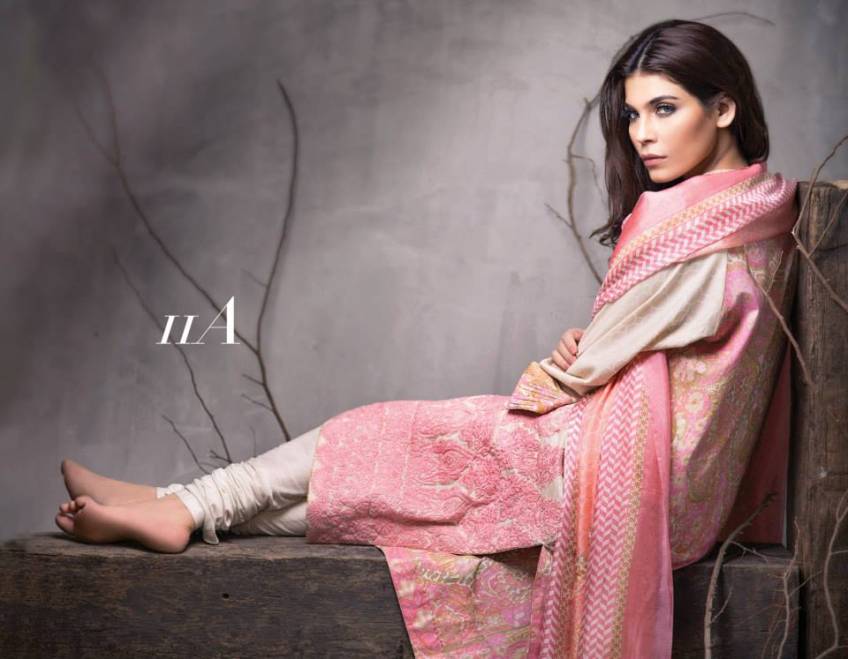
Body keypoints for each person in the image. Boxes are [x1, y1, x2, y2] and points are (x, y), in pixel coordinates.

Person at [55, 18, 799, 658]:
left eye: (664, 109)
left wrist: (576, 355)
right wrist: (601, 343)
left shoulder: (709, 230)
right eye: (633, 115)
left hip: (629, 476)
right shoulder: (755, 213)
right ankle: (177, 505)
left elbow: (601, 355)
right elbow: (651, 332)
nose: (642, 135)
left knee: (383, 433)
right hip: (668, 477)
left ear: (724, 107)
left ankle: (186, 503)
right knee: (397, 496)